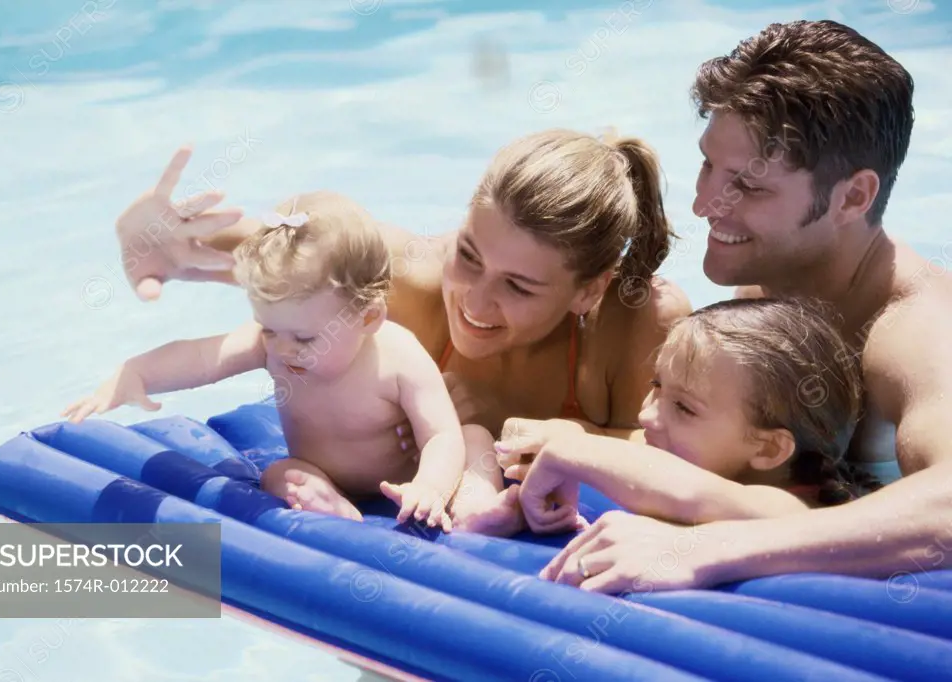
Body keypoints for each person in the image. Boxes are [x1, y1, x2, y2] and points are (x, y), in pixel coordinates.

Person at [495, 19, 952, 591]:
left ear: (853, 196)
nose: (704, 202)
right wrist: (578, 447)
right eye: (709, 164)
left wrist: (710, 547)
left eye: (750, 186)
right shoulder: (766, 287)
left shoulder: (917, 329)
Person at [107, 127, 692, 535]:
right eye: (468, 254)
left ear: (589, 289)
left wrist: (569, 432)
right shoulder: (402, 275)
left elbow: (686, 455)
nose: (475, 300)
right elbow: (266, 249)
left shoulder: (636, 325)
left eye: (519, 286)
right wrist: (161, 242)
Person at [64, 191, 470, 532]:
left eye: (305, 337)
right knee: (281, 475)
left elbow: (440, 435)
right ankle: (326, 501)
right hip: (317, 469)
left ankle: (480, 509)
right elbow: (203, 357)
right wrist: (137, 372)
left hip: (404, 478)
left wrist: (429, 486)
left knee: (474, 442)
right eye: (269, 329)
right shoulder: (273, 342)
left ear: (368, 317)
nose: (283, 348)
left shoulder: (399, 355)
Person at [495, 297, 881, 539]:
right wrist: (547, 437)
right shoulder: (684, 448)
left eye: (683, 407)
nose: (645, 416)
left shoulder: (791, 509)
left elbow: (690, 494)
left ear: (768, 448)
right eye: (655, 385)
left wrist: (576, 450)